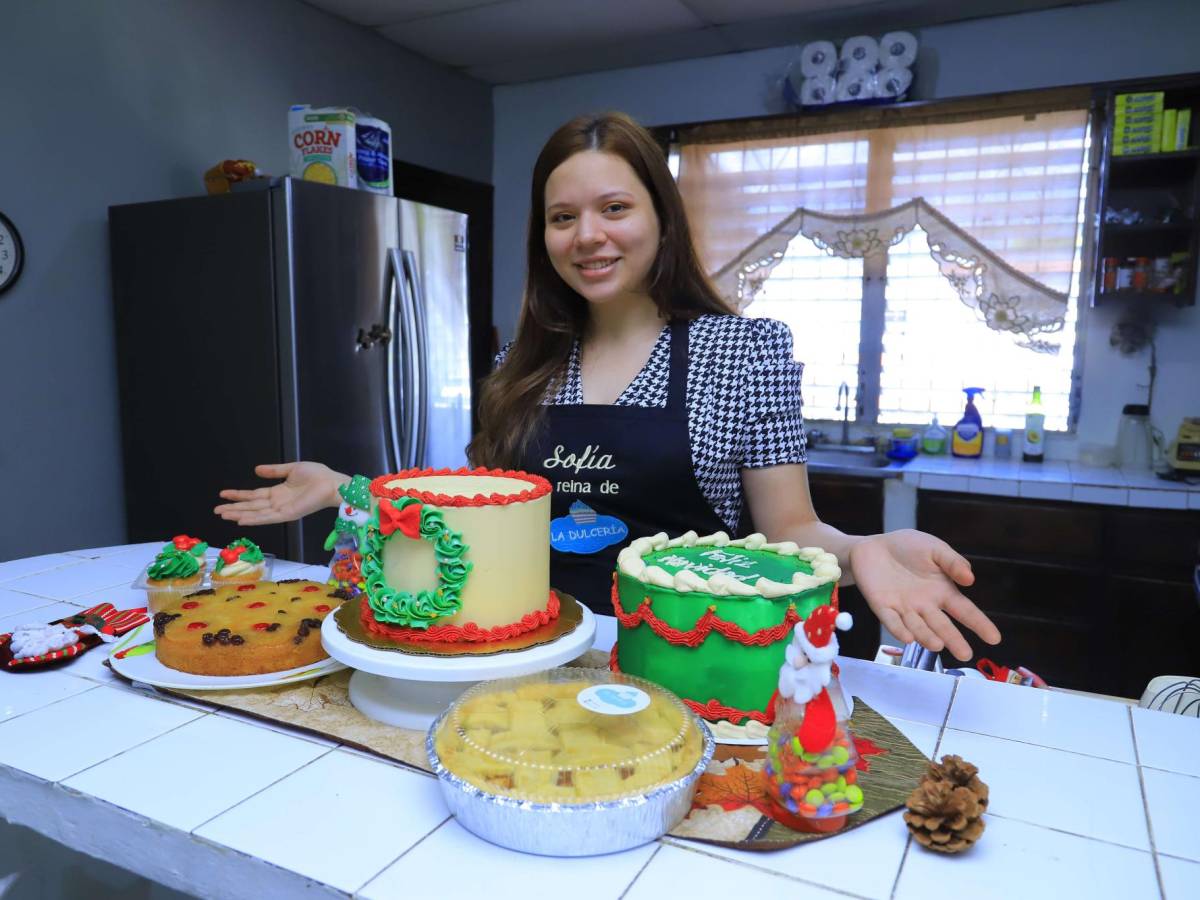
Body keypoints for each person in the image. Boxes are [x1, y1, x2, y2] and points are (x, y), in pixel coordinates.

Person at [216, 111, 1000, 662]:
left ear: (661, 218)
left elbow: (789, 529)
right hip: (525, 654)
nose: (587, 234)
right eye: (563, 217)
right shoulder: (518, 370)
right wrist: (347, 491)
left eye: (614, 208)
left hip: (681, 668)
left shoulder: (744, 350)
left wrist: (861, 549)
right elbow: (475, 519)